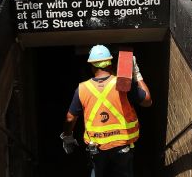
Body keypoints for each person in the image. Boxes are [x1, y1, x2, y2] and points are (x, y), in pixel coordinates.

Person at [60, 45, 152, 177]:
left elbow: (70, 118)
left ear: (92, 66)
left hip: (96, 148)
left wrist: (68, 137)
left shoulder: (82, 89)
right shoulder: (123, 84)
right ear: (110, 63)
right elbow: (147, 101)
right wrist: (136, 74)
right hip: (122, 146)